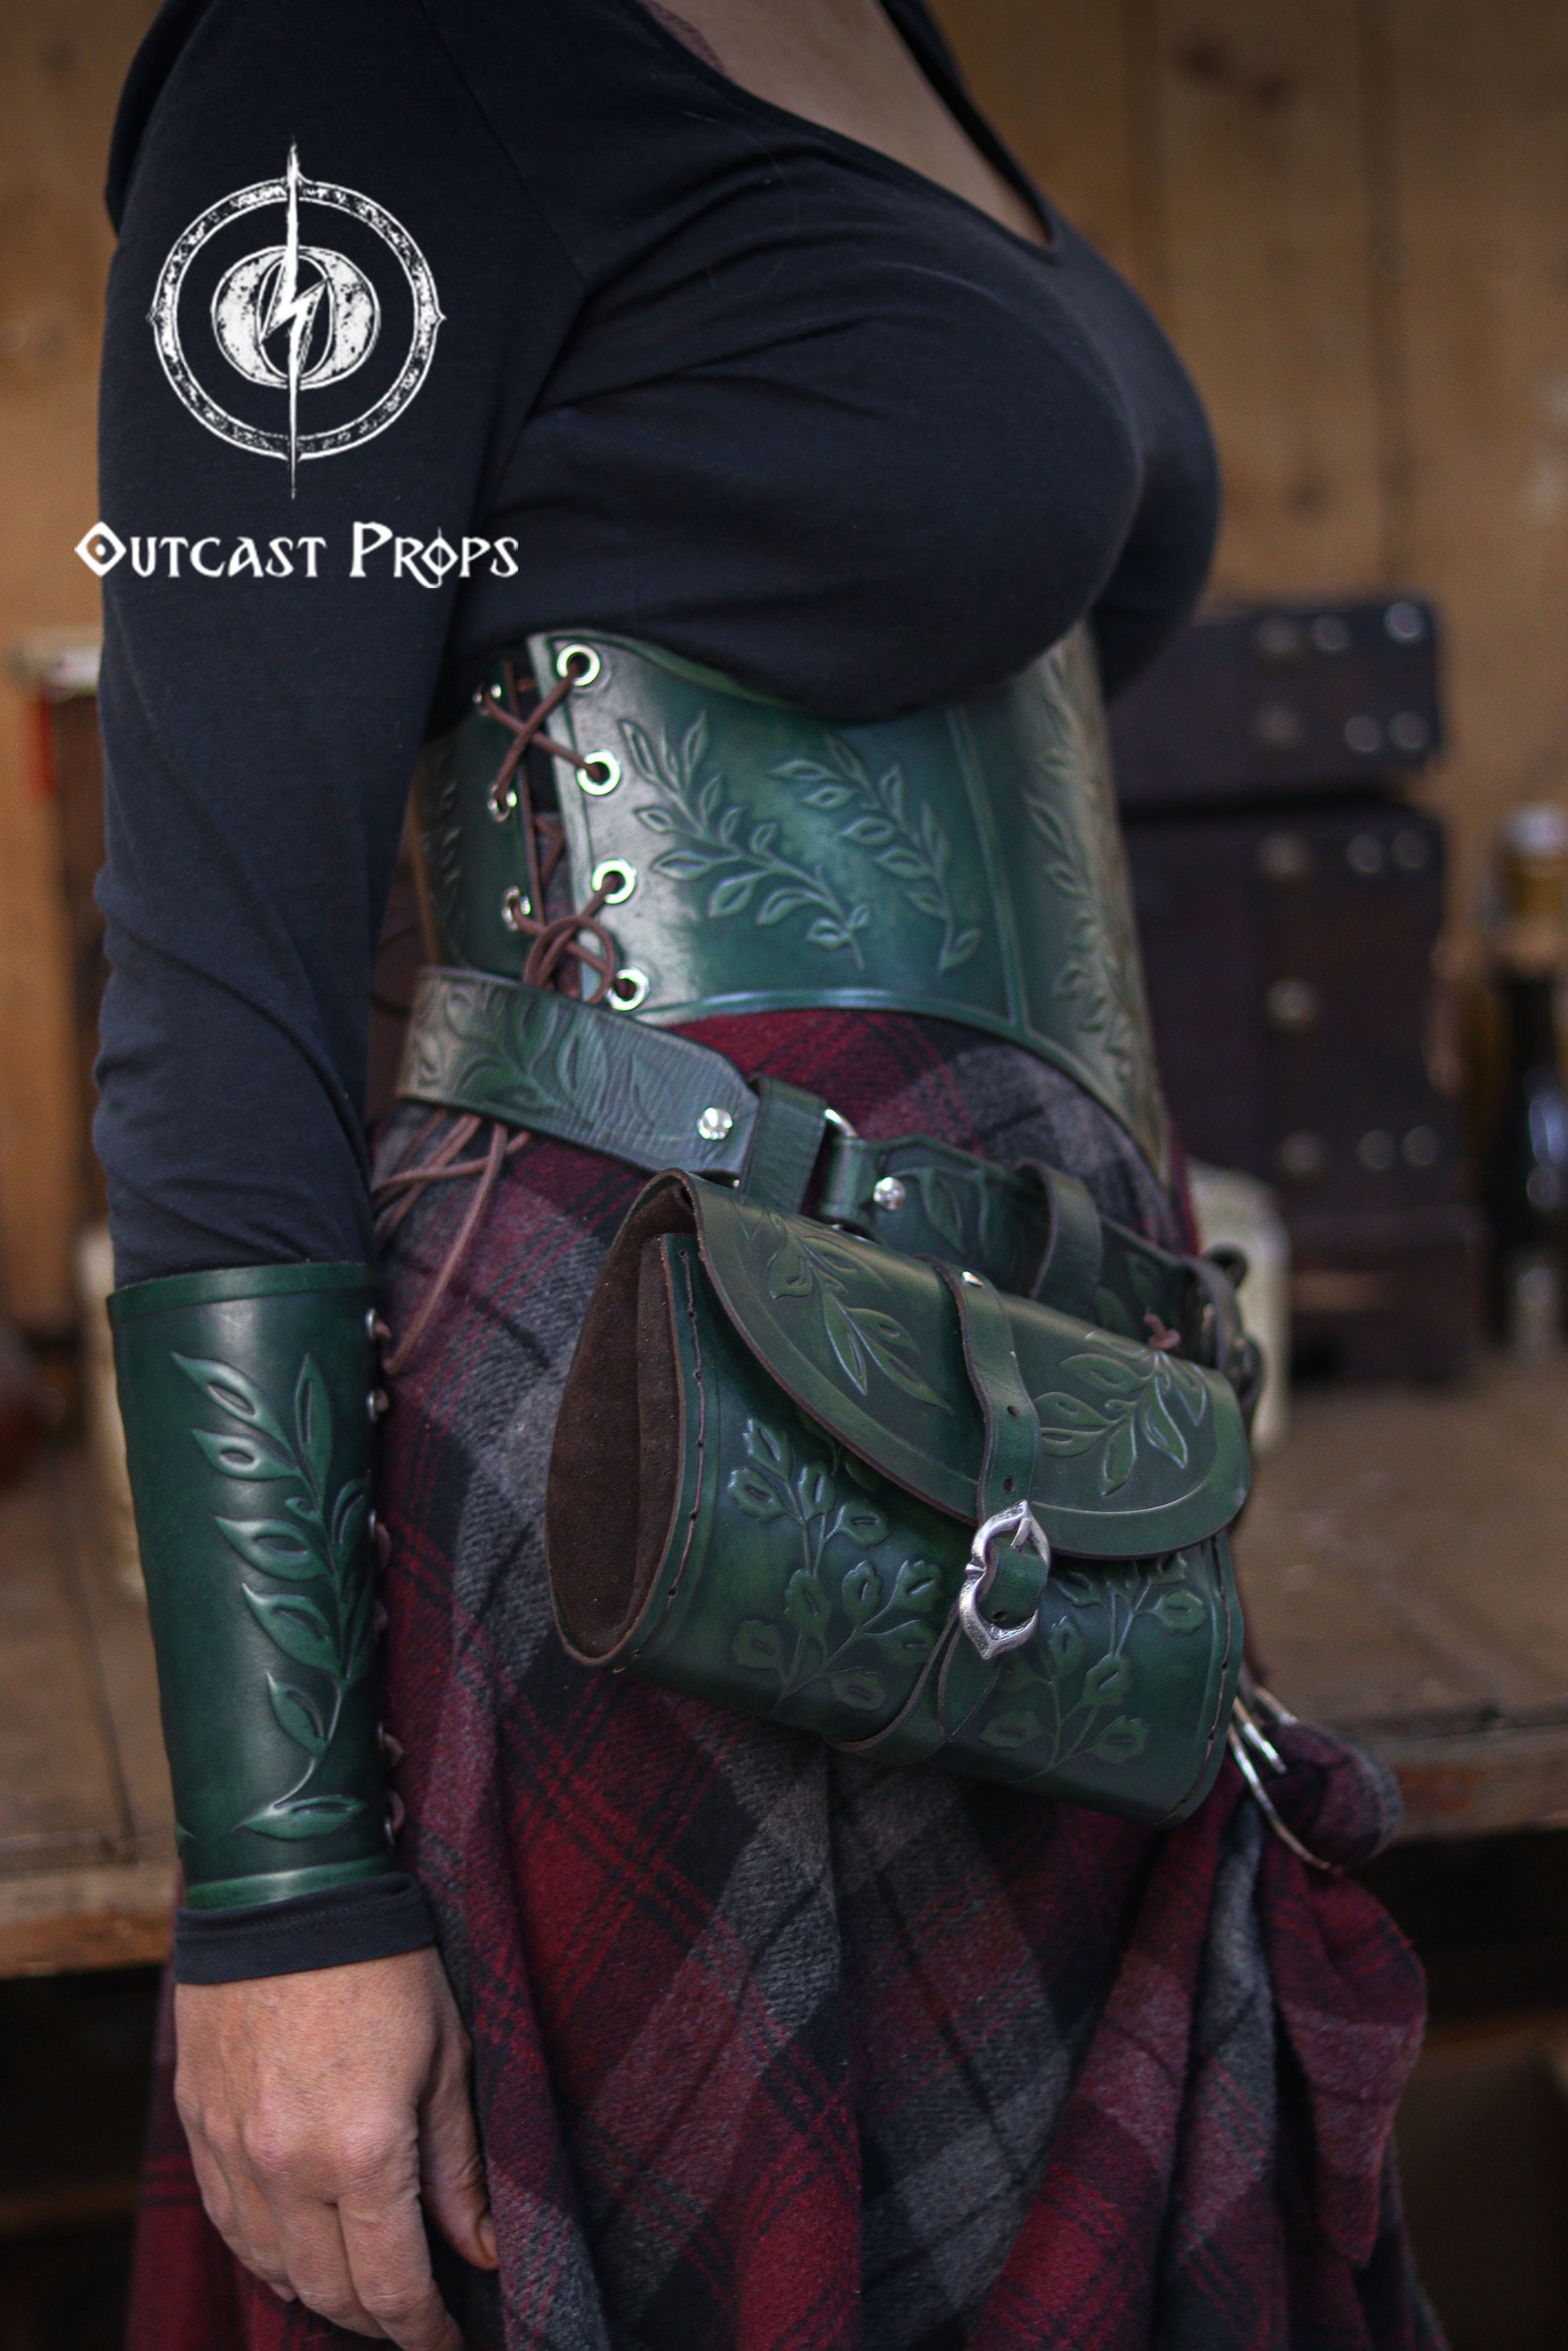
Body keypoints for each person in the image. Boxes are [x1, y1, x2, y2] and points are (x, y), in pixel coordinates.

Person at [97, 4, 1441, 2347]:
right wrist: (288, 1884)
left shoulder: (873, 20)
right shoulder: (354, 54)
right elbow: (221, 958)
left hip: (1024, 1436)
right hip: (668, 1454)